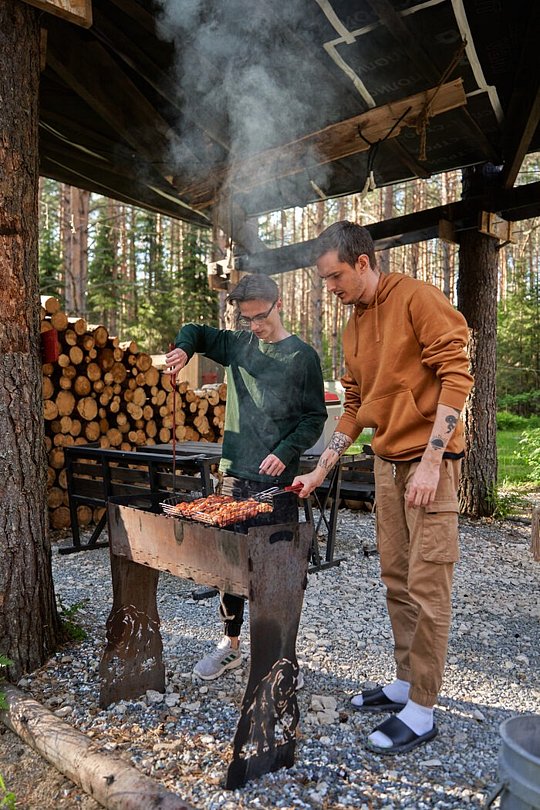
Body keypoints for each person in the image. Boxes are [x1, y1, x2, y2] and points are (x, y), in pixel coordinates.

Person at [292, 220, 473, 755]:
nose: (330, 287)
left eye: (335, 276)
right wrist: (322, 468)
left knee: (428, 582)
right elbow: (354, 407)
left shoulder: (418, 298)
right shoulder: (352, 328)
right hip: (387, 464)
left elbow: (457, 376)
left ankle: (422, 708)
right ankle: (405, 681)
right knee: (396, 577)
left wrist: (432, 461)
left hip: (430, 463)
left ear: (363, 262)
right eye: (324, 280)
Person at [165, 273, 327, 681]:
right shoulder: (239, 345)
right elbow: (195, 331)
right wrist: (183, 349)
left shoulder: (302, 357)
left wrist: (285, 451)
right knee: (230, 567)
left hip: (278, 484)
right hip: (234, 477)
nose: (254, 326)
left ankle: (280, 655)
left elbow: (314, 418)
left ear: (279, 305)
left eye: (260, 317)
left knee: (277, 573)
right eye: (246, 318)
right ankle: (230, 646)